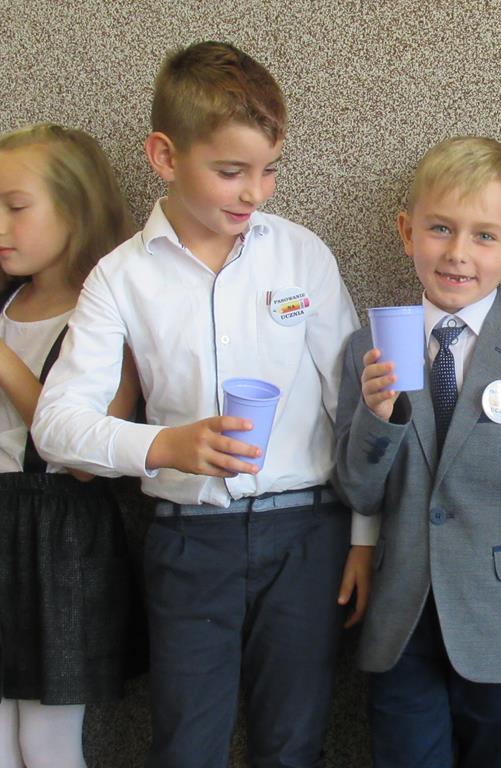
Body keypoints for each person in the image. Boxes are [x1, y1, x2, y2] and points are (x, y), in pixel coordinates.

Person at [31, 42, 372, 768]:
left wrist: (366, 537)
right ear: (164, 156)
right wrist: (164, 446)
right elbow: (57, 424)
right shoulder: (120, 277)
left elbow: (352, 410)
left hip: (309, 534)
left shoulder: (301, 254)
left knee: (295, 744)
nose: (256, 193)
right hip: (188, 542)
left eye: (269, 169)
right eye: (230, 171)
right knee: (187, 747)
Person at [333, 136, 501, 768]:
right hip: (404, 616)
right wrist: (377, 416)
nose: (457, 253)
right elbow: (357, 490)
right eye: (440, 228)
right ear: (407, 231)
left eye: (484, 236)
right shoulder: (367, 347)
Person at [0, 123, 138, 768]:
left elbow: (87, 462)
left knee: (46, 742)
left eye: (16, 207)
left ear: (75, 210)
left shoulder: (102, 314)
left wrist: (5, 363)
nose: (0, 225)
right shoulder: (6, 302)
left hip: (57, 537)